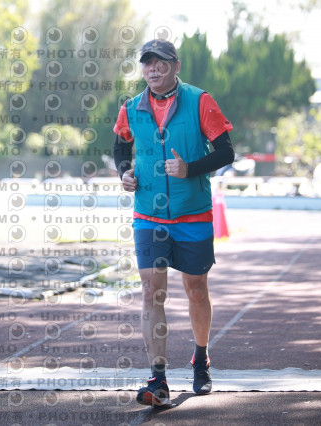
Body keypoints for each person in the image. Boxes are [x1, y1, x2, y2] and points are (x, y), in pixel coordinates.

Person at [113, 39, 235, 406]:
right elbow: (121, 146)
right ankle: (158, 378)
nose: (153, 69)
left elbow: (226, 152)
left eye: (161, 62)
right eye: (147, 63)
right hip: (148, 215)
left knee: (196, 289)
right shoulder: (131, 107)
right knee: (152, 292)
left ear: (175, 66)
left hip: (193, 213)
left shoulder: (200, 101)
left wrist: (189, 169)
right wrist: (124, 172)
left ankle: (201, 359)